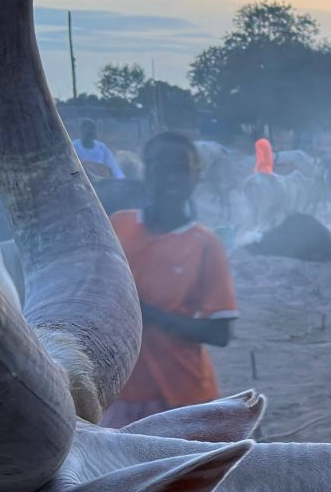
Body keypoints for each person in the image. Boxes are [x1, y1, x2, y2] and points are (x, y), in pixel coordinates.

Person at [102, 132, 239, 427]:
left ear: (195, 177)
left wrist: (145, 313)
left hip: (187, 398)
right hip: (122, 397)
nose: (169, 177)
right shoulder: (117, 227)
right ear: (146, 172)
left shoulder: (205, 244)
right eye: (159, 167)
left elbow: (221, 333)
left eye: (179, 168)